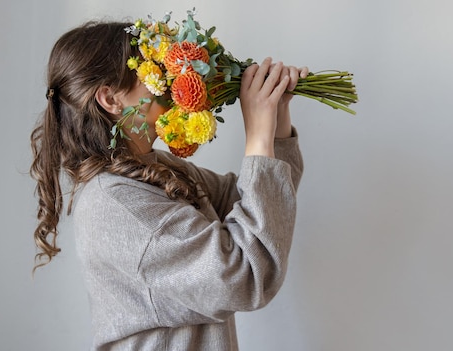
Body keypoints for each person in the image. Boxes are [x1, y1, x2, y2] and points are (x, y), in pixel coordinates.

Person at [30, 21, 308, 350]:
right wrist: (258, 134)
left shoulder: (154, 169)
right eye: (154, 68)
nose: (171, 80)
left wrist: (276, 118)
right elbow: (245, 277)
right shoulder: (116, 203)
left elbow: (258, 204)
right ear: (110, 98)